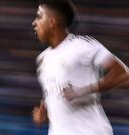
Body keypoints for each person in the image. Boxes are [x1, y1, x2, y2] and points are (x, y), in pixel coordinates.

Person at [31, 0, 128, 135]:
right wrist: (46, 114)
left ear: (52, 22)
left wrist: (83, 90)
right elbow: (59, 99)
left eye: (39, 16)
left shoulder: (82, 46)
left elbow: (123, 75)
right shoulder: (42, 60)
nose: (34, 23)